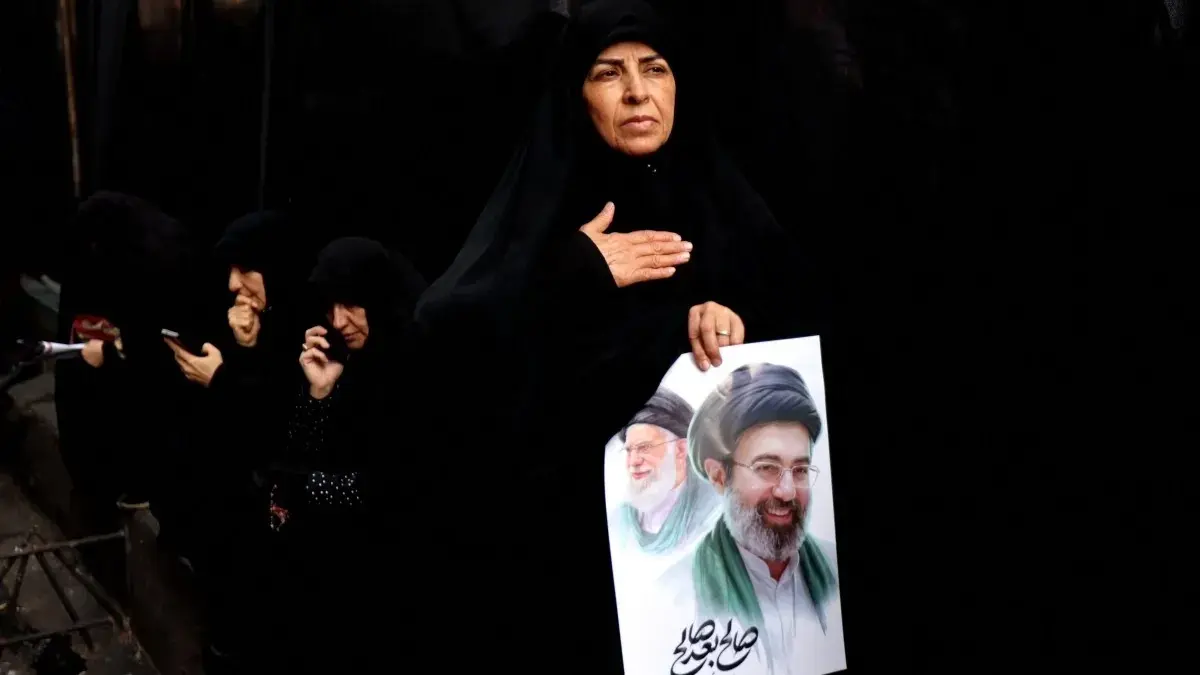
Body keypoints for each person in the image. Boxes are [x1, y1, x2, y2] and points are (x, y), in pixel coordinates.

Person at [416, 1, 811, 668]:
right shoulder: (547, 210)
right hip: (565, 559)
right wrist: (574, 271)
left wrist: (733, 317)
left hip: (705, 590)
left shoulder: (725, 207)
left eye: (654, 69)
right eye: (608, 72)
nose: (636, 91)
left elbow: (798, 313)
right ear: (578, 96)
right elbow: (445, 333)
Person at [258, 236, 426, 674]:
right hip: (333, 577)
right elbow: (299, 456)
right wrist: (319, 392)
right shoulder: (347, 363)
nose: (338, 321)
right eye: (330, 306)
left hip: (391, 582)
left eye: (352, 303)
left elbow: (396, 488)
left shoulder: (417, 366)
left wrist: (305, 488)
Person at [163, 210, 313, 674]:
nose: (233, 284)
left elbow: (284, 427)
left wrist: (221, 379)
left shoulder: (315, 333)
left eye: (245, 269)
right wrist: (245, 348)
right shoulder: (269, 321)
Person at [685, 363, 843, 675]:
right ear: (719, 477)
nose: (787, 491)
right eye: (767, 467)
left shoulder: (834, 569)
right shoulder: (677, 596)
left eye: (800, 470)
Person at [615, 388, 718, 556]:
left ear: (681, 449)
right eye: (628, 451)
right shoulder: (620, 519)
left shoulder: (713, 510)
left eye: (644, 447)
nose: (633, 462)